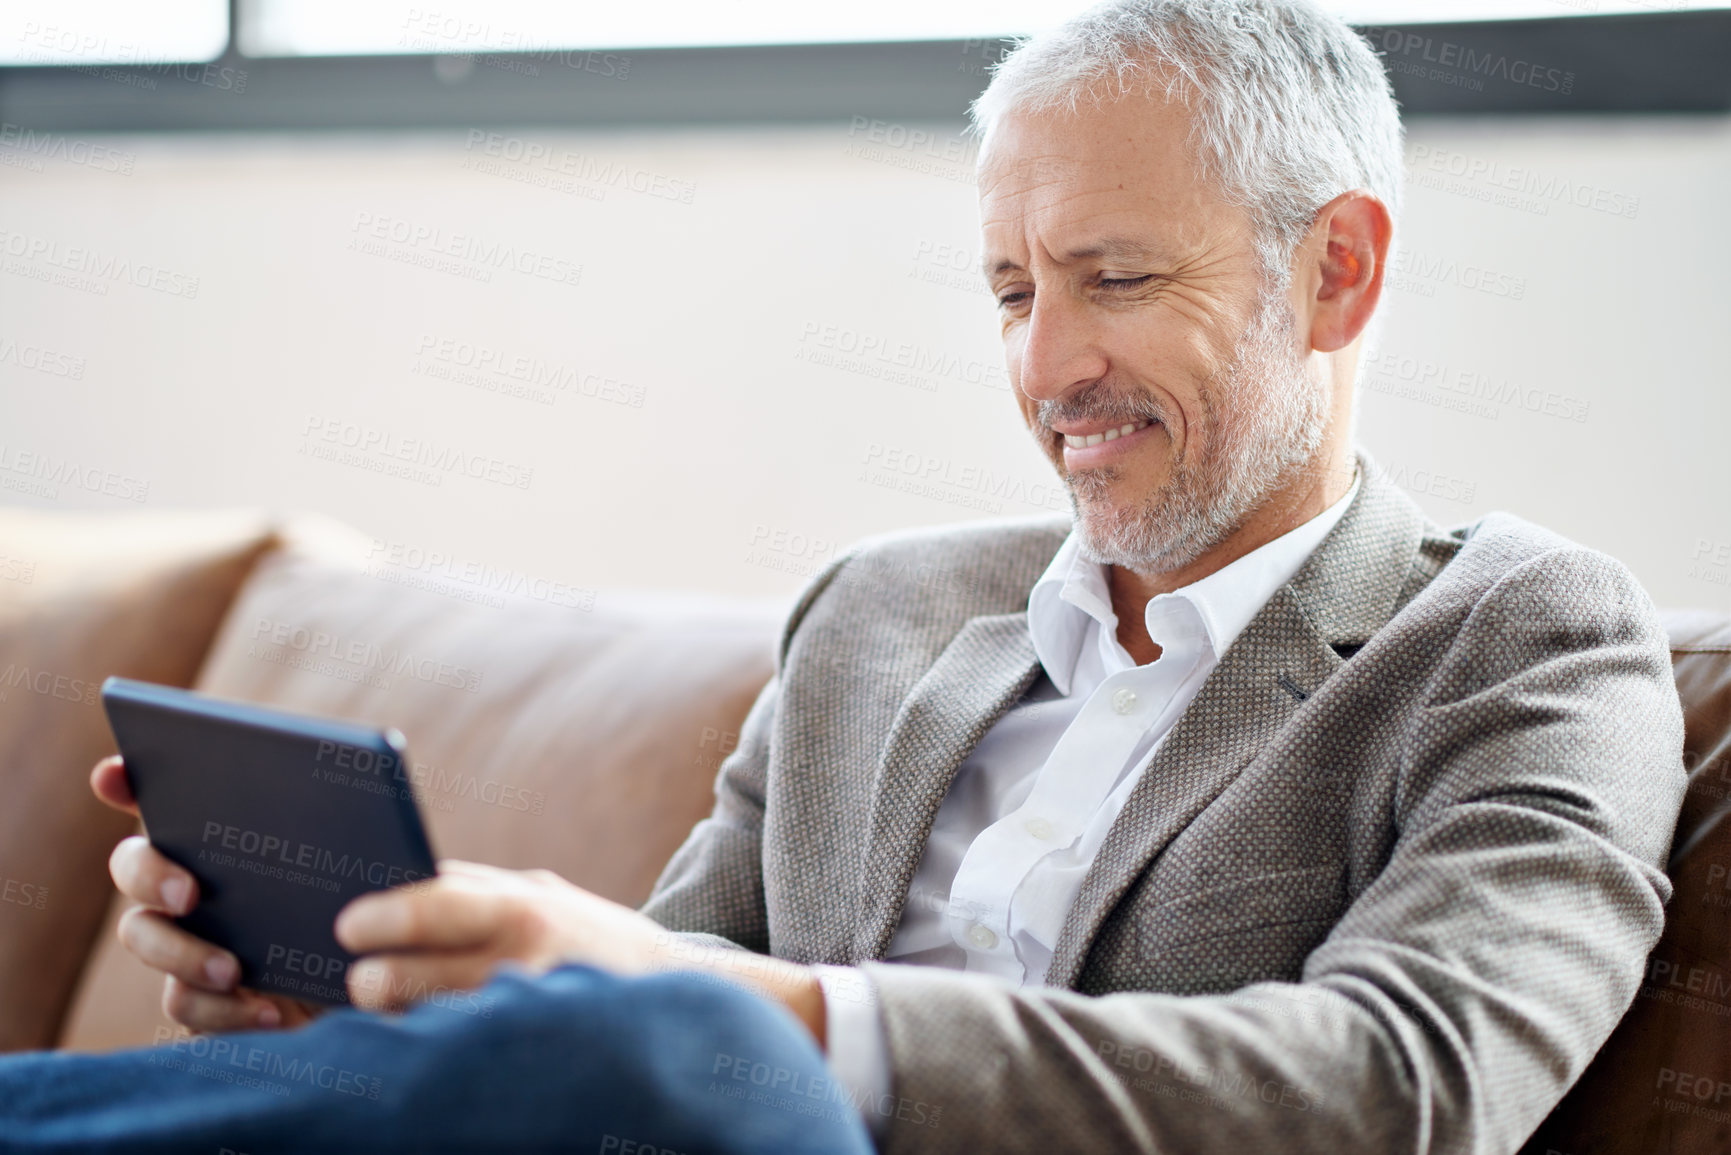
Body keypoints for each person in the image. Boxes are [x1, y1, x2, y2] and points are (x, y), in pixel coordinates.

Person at [0, 1, 1687, 1152]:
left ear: (1337, 271)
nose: (1050, 369)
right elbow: (610, 1052)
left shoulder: (1524, 643)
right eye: (1014, 293)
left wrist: (783, 1025)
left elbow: (1405, 1091)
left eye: (1112, 277)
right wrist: (357, 1018)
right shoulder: (877, 614)